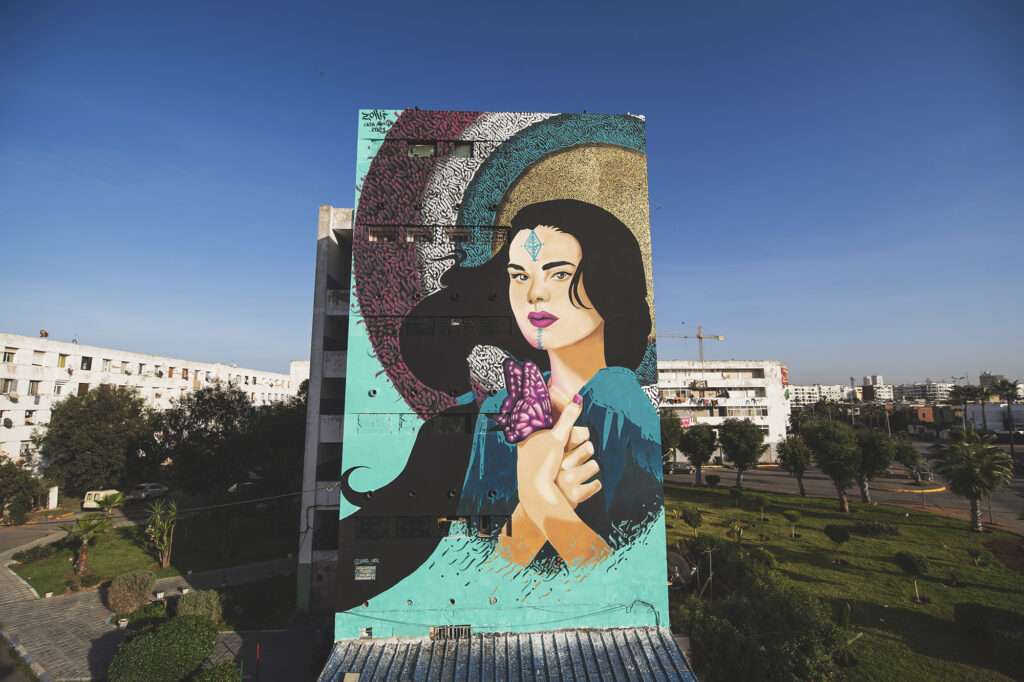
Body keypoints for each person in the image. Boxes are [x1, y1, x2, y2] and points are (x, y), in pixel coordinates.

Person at [456, 200, 663, 569]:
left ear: (607, 282)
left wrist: (541, 499)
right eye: (519, 276)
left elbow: (625, 577)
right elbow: (478, 570)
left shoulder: (623, 408)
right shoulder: (499, 408)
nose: (534, 293)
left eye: (559, 274)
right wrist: (544, 500)